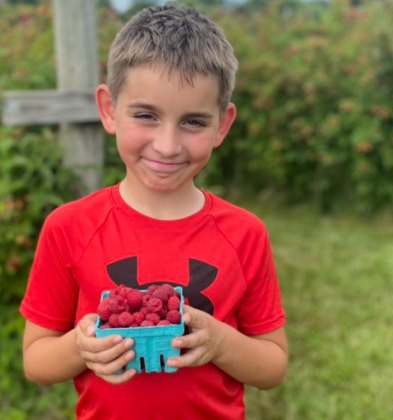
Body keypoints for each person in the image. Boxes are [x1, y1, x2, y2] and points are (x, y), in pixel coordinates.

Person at [19, 3, 287, 419]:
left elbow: (272, 365)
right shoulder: (69, 228)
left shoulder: (244, 233)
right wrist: (79, 347)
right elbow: (36, 360)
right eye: (146, 115)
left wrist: (220, 342)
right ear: (108, 109)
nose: (166, 145)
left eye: (193, 122)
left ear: (223, 124)